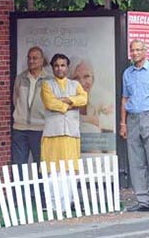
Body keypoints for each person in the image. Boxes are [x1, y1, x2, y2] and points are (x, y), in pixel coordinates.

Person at [120, 40, 149, 214]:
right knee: (135, 160)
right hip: (133, 118)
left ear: (145, 52)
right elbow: (124, 99)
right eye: (132, 50)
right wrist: (123, 123)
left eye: (138, 50)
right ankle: (143, 199)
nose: (135, 53)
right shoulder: (128, 74)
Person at [40, 53, 88, 210]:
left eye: (62, 65)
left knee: (69, 170)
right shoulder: (47, 85)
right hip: (53, 133)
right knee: (52, 170)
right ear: (52, 68)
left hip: (71, 133)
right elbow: (50, 103)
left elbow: (84, 99)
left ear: (67, 67)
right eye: (56, 65)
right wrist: (71, 103)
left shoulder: (75, 85)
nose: (59, 68)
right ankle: (53, 204)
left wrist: (65, 100)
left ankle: (67, 203)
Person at [12, 46, 50, 168]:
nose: (31, 61)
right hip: (20, 127)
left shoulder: (49, 80)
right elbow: (15, 99)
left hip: (40, 128)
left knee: (41, 164)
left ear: (42, 60)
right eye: (29, 58)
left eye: (35, 58)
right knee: (19, 164)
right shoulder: (20, 78)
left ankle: (41, 188)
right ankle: (19, 188)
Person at [71, 59, 114, 134]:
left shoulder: (102, 96)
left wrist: (86, 119)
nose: (82, 83)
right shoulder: (65, 96)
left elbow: (112, 122)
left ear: (93, 79)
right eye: (76, 78)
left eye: (86, 76)